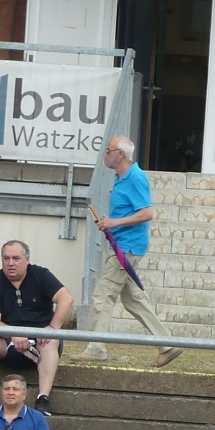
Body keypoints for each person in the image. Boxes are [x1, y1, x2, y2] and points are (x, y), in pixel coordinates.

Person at [86, 135, 181, 367]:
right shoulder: (121, 178)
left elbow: (147, 212)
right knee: (133, 299)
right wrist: (110, 223)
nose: (105, 154)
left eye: (108, 150)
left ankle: (96, 349)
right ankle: (167, 344)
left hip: (127, 247)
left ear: (120, 154)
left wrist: (114, 223)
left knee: (103, 295)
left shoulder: (135, 177)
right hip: (123, 245)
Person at [0, 241, 71, 413]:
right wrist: (13, 333)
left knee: (51, 339)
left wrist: (52, 327)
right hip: (8, 343)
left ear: (27, 259)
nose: (10, 263)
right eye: (6, 258)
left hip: (41, 342)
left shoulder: (41, 275)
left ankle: (43, 398)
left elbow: (66, 299)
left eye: (16, 258)